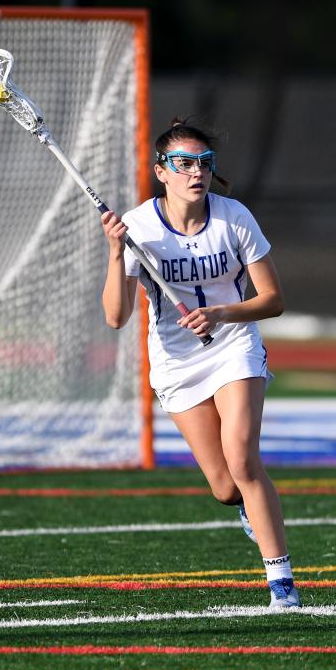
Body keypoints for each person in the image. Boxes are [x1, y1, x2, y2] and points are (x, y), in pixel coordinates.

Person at [100, 118, 300, 608]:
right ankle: (247, 508)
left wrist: (222, 313)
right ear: (161, 172)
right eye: (184, 163)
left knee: (243, 458)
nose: (196, 172)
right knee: (226, 488)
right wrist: (113, 252)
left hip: (233, 345)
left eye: (204, 163)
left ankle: (283, 587)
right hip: (176, 362)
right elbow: (116, 317)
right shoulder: (139, 227)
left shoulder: (234, 218)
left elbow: (272, 300)